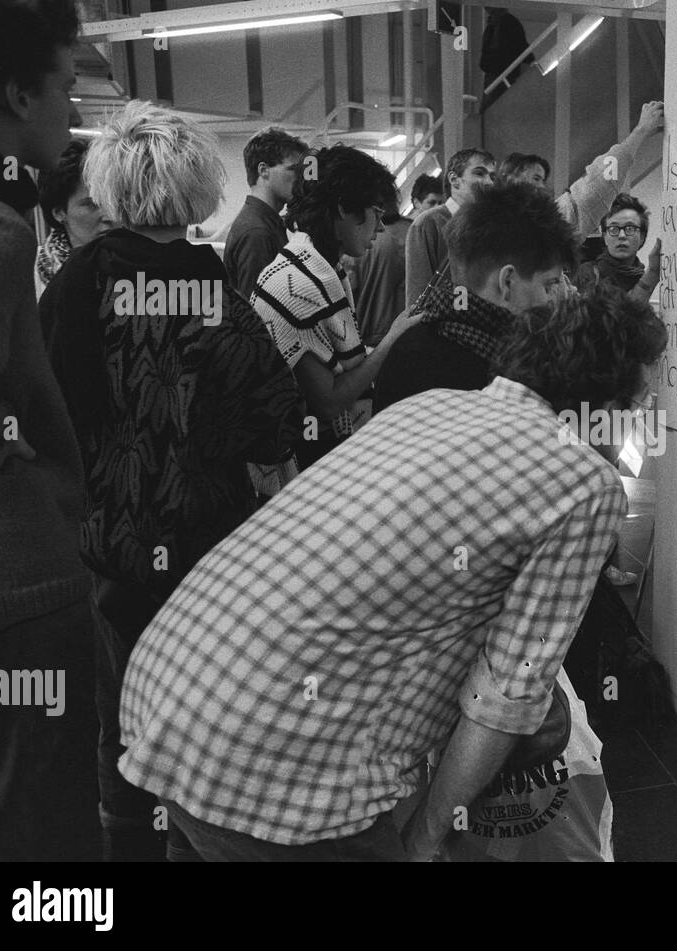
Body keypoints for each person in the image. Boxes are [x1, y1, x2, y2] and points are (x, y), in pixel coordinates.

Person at [116, 285, 667, 861]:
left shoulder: (431, 405)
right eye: (635, 407)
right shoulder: (583, 481)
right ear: (604, 408)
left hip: (169, 691)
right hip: (275, 765)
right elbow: (505, 696)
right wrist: (425, 839)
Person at [40, 99, 305, 861]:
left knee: (119, 729)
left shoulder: (73, 287)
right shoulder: (215, 291)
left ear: (111, 187)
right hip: (208, 555)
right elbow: (274, 426)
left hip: (106, 549)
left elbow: (44, 413)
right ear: (196, 187)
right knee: (200, 730)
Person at [0, 0, 98, 862]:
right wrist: (17, 475)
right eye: (63, 85)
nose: (73, 109)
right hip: (6, 587)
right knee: (34, 835)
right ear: (17, 94)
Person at [251, 144, 418, 469]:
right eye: (377, 213)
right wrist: (394, 337)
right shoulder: (299, 282)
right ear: (344, 208)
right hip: (302, 457)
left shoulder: (319, 267)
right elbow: (327, 402)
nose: (381, 228)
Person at [375, 179, 572, 411]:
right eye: (548, 286)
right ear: (507, 281)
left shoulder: (408, 346)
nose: (553, 301)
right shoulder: (512, 379)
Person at [497, 100, 665, 239]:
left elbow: (596, 187)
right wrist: (639, 132)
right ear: (509, 178)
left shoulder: (535, 221)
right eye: (535, 178)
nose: (541, 187)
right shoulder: (524, 227)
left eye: (542, 180)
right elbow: (597, 187)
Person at [347, 173, 442, 348]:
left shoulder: (353, 243)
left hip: (367, 343)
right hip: (411, 338)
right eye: (432, 202)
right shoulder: (418, 233)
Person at [404, 147, 495, 309]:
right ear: (454, 179)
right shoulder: (427, 224)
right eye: (479, 173)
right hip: (440, 327)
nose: (489, 182)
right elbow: (418, 295)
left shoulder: (489, 226)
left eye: (492, 176)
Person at [224, 126, 307, 300]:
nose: (301, 178)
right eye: (293, 169)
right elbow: (258, 311)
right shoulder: (257, 232)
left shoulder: (264, 223)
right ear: (263, 171)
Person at [34, 137, 111, 301]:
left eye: (113, 201)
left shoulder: (141, 269)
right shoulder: (29, 279)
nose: (110, 215)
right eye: (92, 204)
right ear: (59, 212)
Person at [576, 192, 662, 303]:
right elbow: (620, 317)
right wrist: (652, 274)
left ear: (642, 237)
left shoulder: (639, 276)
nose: (622, 236)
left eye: (630, 229)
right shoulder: (587, 274)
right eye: (613, 229)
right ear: (605, 237)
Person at [480, 7, 534, 108]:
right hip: (500, 71)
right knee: (494, 104)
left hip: (501, 71)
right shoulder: (501, 24)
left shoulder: (506, 23)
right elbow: (522, 46)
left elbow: (518, 46)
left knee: (492, 105)